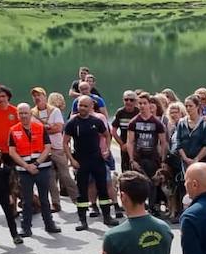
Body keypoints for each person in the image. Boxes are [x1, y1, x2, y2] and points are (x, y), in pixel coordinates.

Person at [64, 94, 117, 230]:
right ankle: (82, 220)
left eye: (85, 106)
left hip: (97, 159)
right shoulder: (72, 122)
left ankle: (107, 217)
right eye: (80, 105)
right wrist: (72, 159)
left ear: (91, 107)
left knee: (103, 189)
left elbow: (107, 135)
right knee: (82, 192)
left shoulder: (96, 121)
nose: (82, 108)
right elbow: (65, 143)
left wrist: (107, 150)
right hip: (81, 161)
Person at [8, 103, 59, 237]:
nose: (24, 116)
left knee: (44, 199)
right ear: (17, 115)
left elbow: (47, 147)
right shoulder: (13, 130)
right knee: (27, 199)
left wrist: (35, 164)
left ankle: (49, 224)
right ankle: (26, 227)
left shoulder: (40, 128)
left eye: (26, 113)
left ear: (30, 114)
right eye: (21, 113)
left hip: (42, 169)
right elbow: (12, 152)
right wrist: (27, 166)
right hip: (24, 171)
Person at [42, 91, 76, 212]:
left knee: (63, 175)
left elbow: (60, 130)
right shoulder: (44, 113)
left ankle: (76, 198)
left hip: (59, 147)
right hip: (49, 148)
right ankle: (56, 202)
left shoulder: (58, 114)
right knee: (53, 177)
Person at [109, 90, 142, 171]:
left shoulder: (139, 112)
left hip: (138, 146)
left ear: (135, 101)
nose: (128, 102)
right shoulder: (120, 112)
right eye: (126, 99)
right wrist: (121, 144)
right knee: (125, 168)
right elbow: (113, 131)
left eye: (131, 100)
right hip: (124, 144)